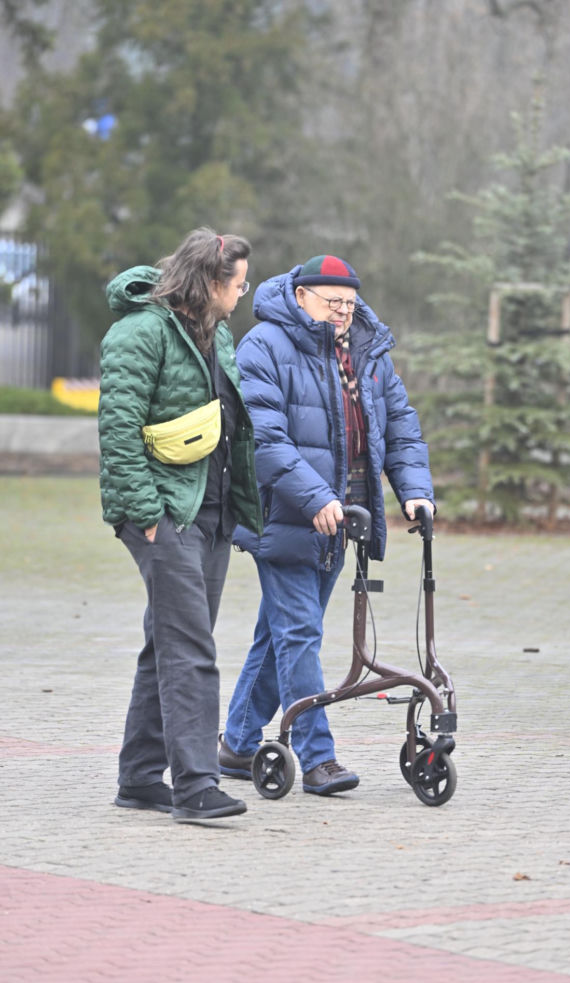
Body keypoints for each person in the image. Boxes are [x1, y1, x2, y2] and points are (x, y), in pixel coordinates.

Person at [219, 254, 435, 796]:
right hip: (287, 514)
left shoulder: (369, 351)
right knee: (299, 634)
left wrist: (415, 491)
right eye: (330, 301)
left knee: (282, 634)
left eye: (348, 303)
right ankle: (317, 757)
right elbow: (263, 439)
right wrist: (314, 495)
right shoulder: (264, 346)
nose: (341, 312)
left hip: (346, 519)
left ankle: (238, 743)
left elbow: (401, 428)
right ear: (299, 297)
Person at [98, 227, 262, 824]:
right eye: (238, 283)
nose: (243, 293)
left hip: (212, 514)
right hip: (163, 512)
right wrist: (145, 515)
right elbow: (118, 431)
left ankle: (140, 779)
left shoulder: (221, 335)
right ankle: (196, 785)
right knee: (192, 645)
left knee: (168, 641)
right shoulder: (139, 333)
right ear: (211, 280)